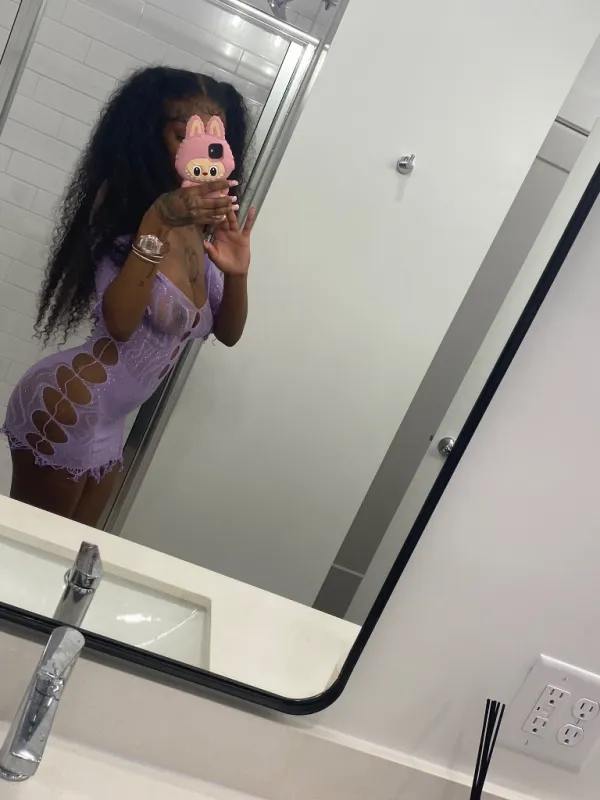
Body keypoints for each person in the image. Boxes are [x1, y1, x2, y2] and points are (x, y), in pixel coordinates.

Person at [1, 66, 255, 526]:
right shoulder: (122, 209)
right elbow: (119, 323)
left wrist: (237, 273)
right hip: (68, 400)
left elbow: (229, 332)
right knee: (26, 552)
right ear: (149, 136)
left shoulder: (202, 231)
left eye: (213, 136)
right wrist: (158, 220)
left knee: (70, 554)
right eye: (184, 134)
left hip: (110, 421)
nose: (201, 147)